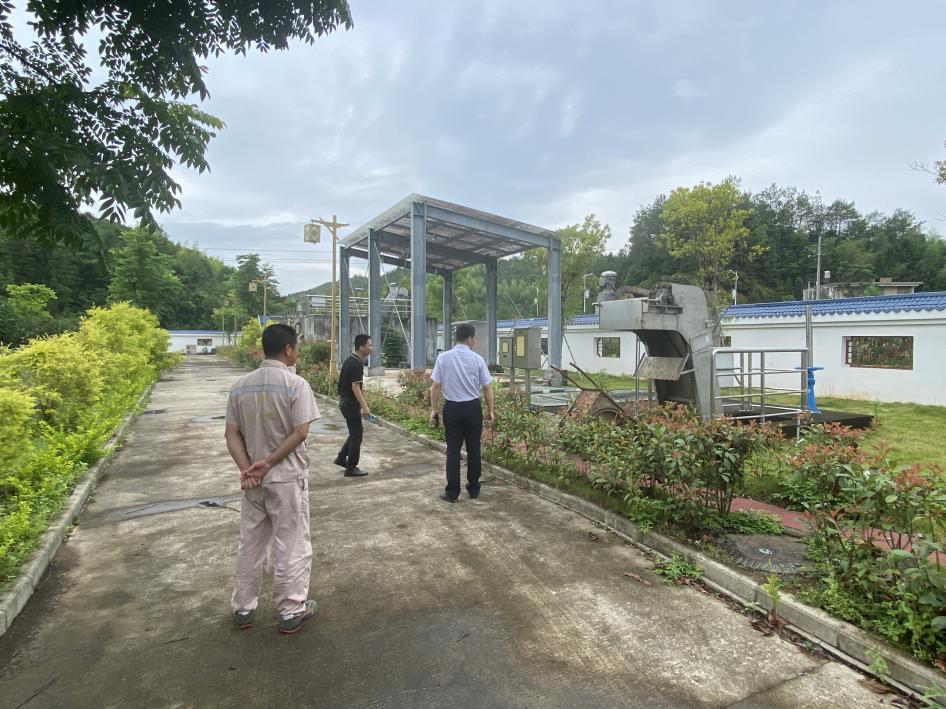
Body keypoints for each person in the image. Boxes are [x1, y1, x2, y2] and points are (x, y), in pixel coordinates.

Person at [224, 323, 320, 634]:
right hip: (286, 478)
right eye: (297, 347)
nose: (298, 352)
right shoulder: (295, 385)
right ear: (288, 349)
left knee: (251, 543)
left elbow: (231, 433)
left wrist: (247, 468)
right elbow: (301, 432)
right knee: (291, 543)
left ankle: (243, 609)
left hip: (253, 482)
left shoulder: (240, 386)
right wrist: (269, 462)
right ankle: (291, 611)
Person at [429, 323, 495, 502]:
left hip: (452, 408)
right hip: (472, 408)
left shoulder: (443, 358)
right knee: (474, 448)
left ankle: (452, 493)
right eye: (474, 338)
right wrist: (490, 410)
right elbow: (487, 387)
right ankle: (473, 489)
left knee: (453, 450)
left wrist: (434, 409)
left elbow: (435, 386)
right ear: (469, 339)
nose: (475, 341)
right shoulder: (477, 359)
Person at [334, 334, 373, 477]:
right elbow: (355, 387)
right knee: (357, 436)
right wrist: (365, 407)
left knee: (354, 433)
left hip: (345, 402)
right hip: (350, 403)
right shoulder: (356, 364)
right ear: (361, 347)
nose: (372, 348)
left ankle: (341, 458)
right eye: (370, 345)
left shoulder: (351, 360)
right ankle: (351, 468)